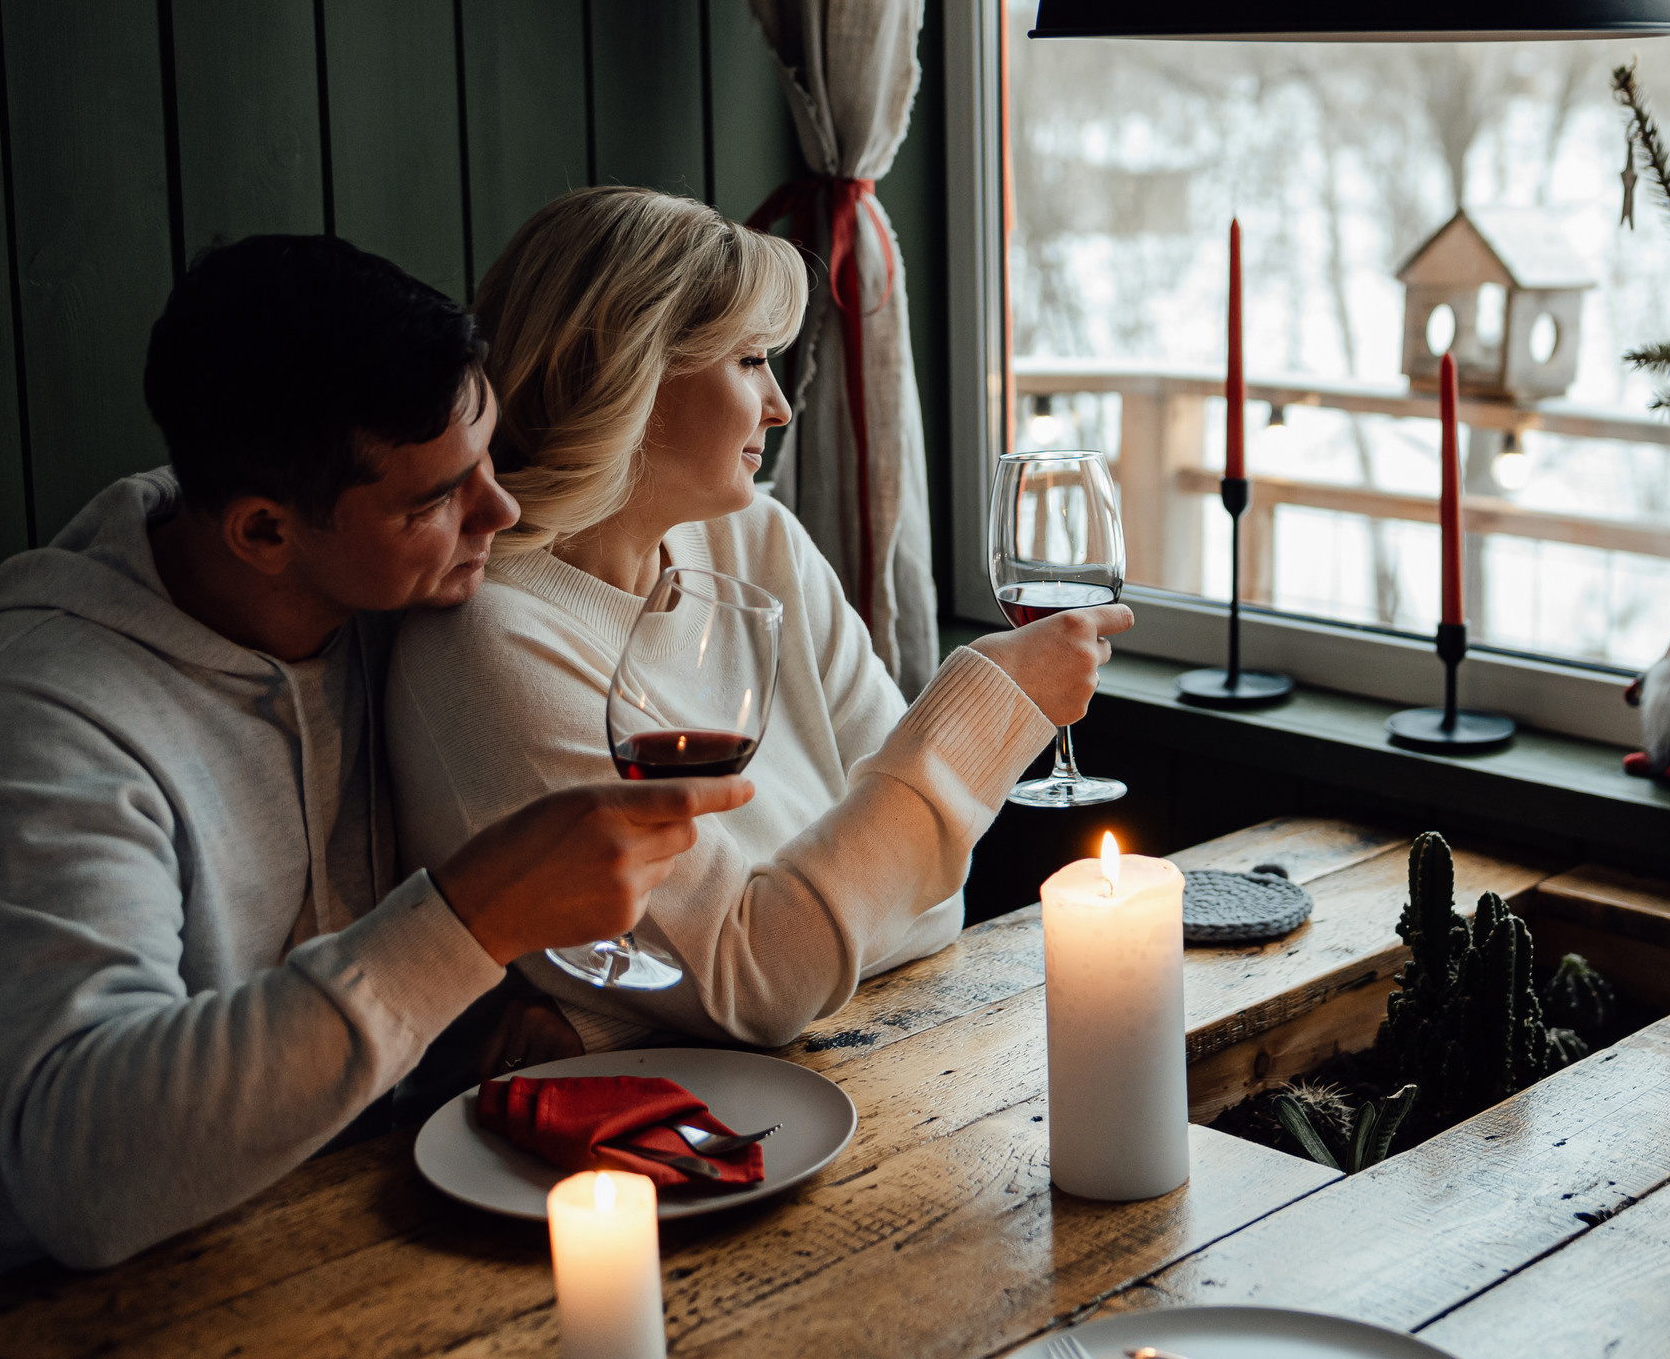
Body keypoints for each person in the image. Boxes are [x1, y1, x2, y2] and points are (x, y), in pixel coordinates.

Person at [0, 237, 751, 1359]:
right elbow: (87, 1176)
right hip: (30, 1321)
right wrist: (469, 923)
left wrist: (488, 1019)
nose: (501, 513)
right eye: (439, 495)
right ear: (263, 531)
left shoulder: (378, 600)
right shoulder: (34, 726)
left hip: (327, 1248)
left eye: (488, 456)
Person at [388, 188, 1131, 1052]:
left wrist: (610, 1020)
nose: (779, 406)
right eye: (749, 361)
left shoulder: (755, 537)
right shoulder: (492, 646)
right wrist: (988, 709)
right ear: (632, 374)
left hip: (853, 1075)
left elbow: (929, 900)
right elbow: (767, 981)